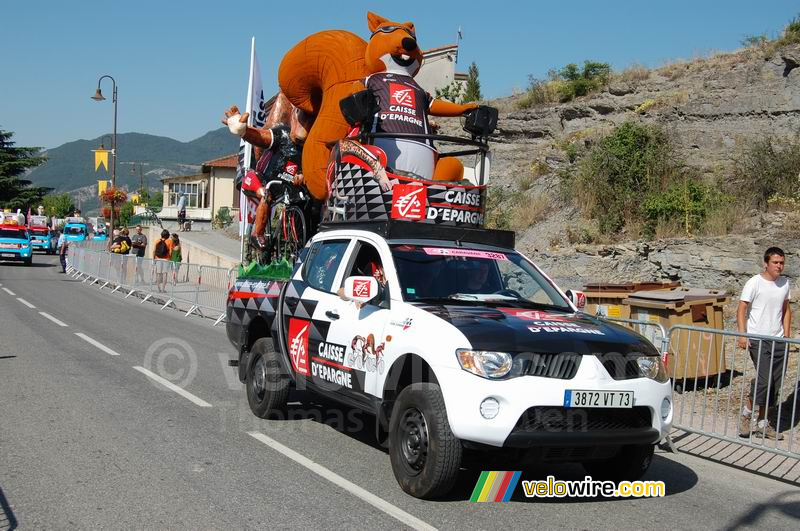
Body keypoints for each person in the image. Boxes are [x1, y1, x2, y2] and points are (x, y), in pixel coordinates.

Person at [224, 99, 313, 249]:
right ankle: (256, 235)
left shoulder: (310, 146)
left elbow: (309, 169)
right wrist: (242, 129)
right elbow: (260, 137)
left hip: (287, 187)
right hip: (260, 180)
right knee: (265, 195)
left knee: (305, 201)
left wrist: (304, 176)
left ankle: (300, 242)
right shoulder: (283, 133)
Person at [737, 247, 792, 440]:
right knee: (764, 381)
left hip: (778, 340)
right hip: (758, 338)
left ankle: (763, 423)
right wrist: (743, 335)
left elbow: (786, 309)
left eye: (782, 262)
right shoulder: (755, 282)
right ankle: (746, 415)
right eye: (776, 262)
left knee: (775, 384)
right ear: (766, 263)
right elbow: (742, 308)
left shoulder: (785, 283)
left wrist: (787, 335)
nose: (779, 266)